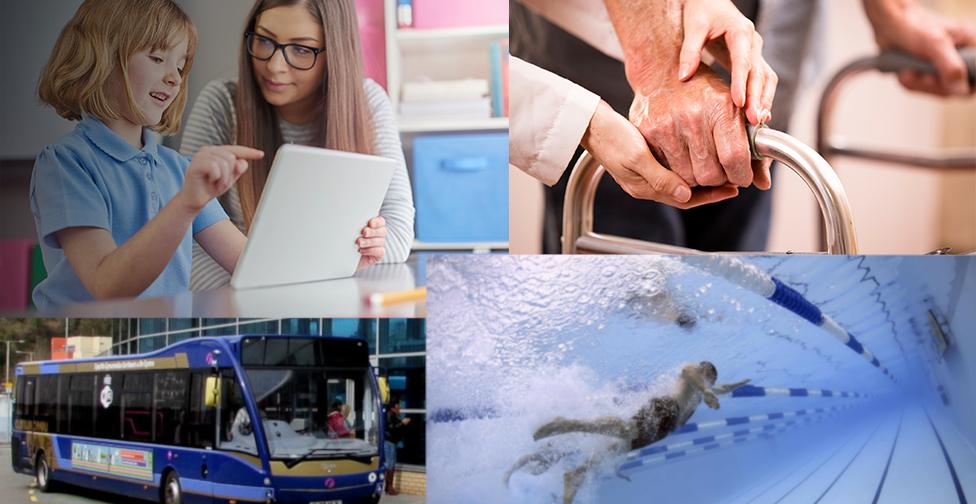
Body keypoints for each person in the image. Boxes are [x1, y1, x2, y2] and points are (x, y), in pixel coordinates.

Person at [511, 0, 976, 252]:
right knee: (623, 336)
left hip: (765, 46)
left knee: (736, 310)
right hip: (607, 66)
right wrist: (659, 54)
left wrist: (888, 9)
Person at [29, 0, 265, 308]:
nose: (175, 78)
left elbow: (254, 268)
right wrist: (185, 205)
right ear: (102, 57)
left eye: (180, 67)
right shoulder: (65, 164)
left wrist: (346, 259)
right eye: (157, 58)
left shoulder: (179, 169)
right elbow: (107, 286)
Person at [180, 0, 415, 291]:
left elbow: (399, 233)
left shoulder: (368, 102)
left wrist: (371, 244)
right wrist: (247, 295)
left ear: (335, 53)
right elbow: (183, 232)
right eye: (265, 40)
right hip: (242, 299)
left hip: (335, 297)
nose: (274, 66)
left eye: (302, 49)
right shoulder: (221, 103)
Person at [504, 361, 750, 504]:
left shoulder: (702, 390)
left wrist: (737, 384)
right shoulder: (694, 373)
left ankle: (576, 474)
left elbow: (722, 389)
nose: (711, 381)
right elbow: (690, 373)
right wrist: (706, 390)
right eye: (709, 377)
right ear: (705, 370)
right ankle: (568, 424)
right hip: (664, 408)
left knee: (617, 448)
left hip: (663, 429)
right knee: (625, 430)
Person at [383, 399, 412, 496]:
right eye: (398, 406)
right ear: (393, 408)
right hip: (389, 443)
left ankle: (388, 487)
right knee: (390, 466)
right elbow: (392, 428)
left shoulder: (394, 415)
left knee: (392, 466)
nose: (399, 408)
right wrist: (402, 423)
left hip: (393, 443)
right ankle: (389, 487)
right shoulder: (389, 415)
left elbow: (397, 428)